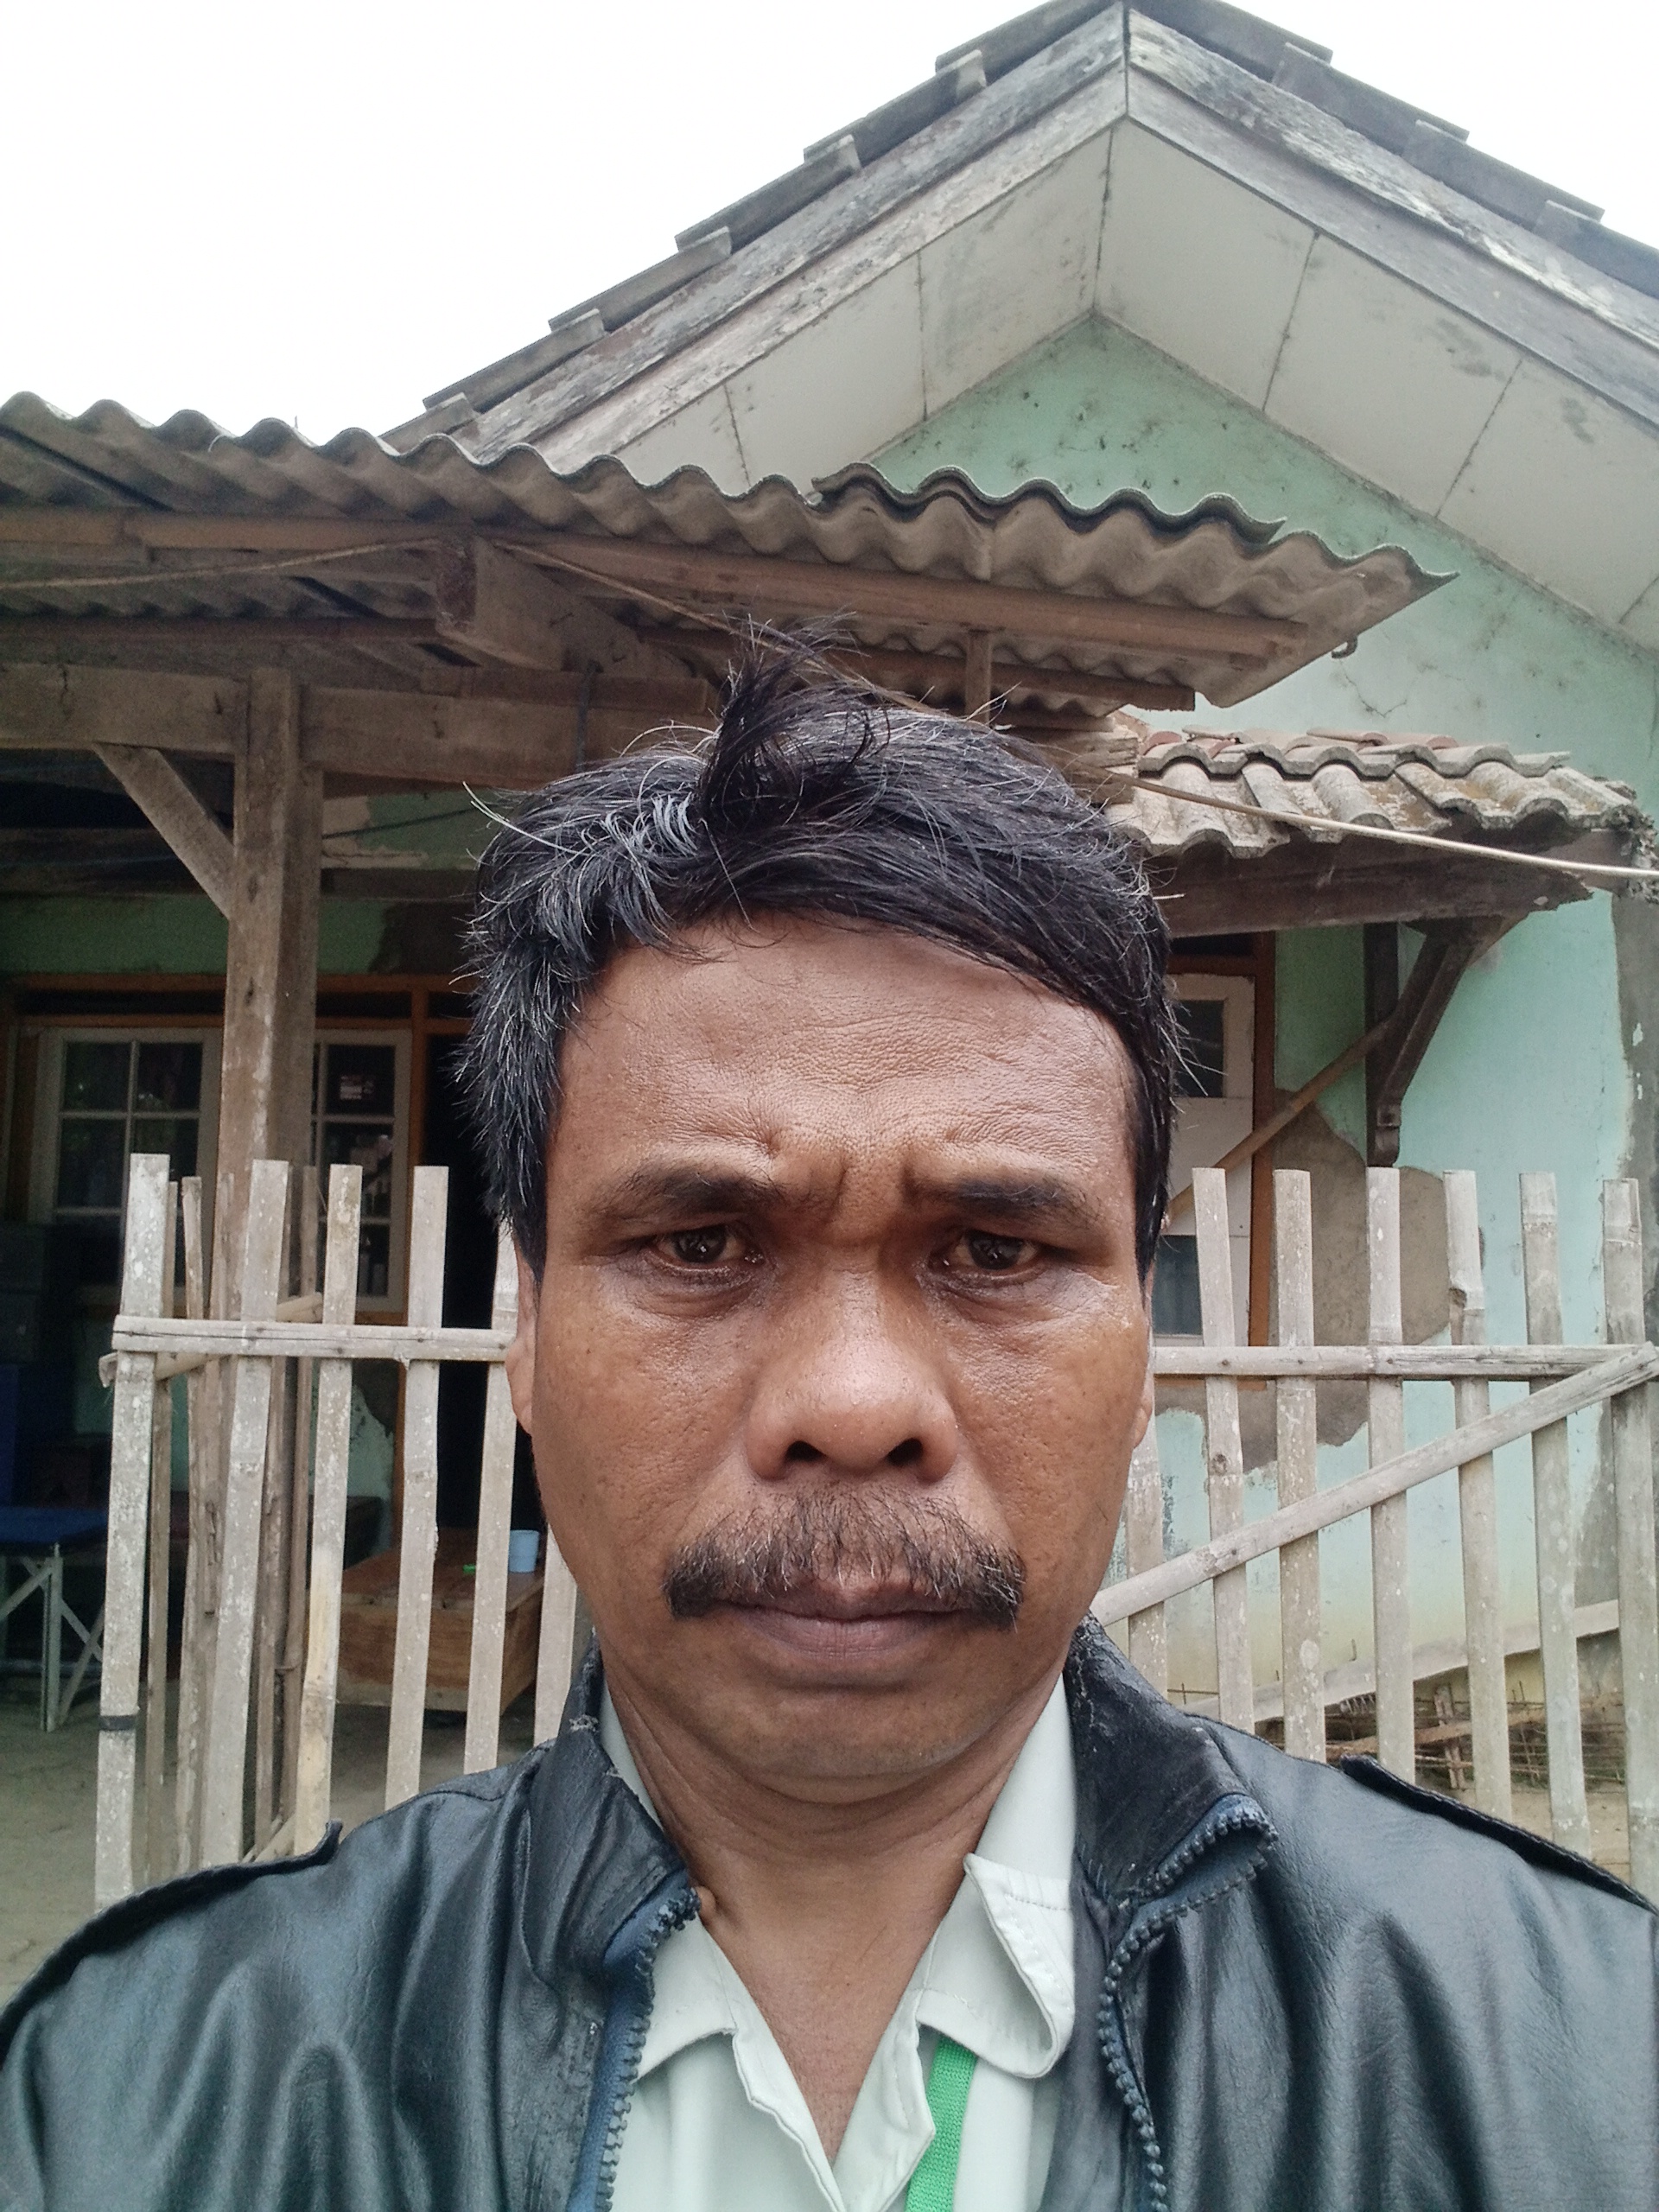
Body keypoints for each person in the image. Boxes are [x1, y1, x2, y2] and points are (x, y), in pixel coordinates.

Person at [2, 652, 1656, 2212]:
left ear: (1143, 1345)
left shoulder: (1570, 2052)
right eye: (699, 1244)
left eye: (996, 1251)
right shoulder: (138, 2096)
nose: (854, 1408)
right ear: (527, 1336)